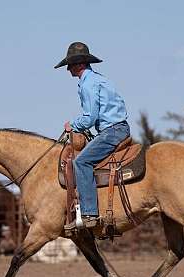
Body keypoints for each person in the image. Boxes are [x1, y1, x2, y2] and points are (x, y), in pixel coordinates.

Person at [55, 42, 130, 230]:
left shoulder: (88, 84)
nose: (68, 69)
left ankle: (89, 214)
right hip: (117, 127)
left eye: (70, 65)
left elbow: (90, 117)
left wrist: (72, 126)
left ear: (80, 64)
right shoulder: (99, 79)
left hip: (112, 131)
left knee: (81, 162)